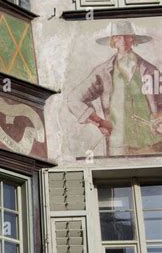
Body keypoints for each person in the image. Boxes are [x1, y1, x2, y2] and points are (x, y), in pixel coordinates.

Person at [69, 22, 162, 156]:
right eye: (118, 37)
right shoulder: (102, 72)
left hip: (153, 143)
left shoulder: (151, 70)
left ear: (133, 39)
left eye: (127, 36)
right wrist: (99, 122)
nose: (123, 41)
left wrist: (159, 119)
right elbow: (74, 99)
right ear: (112, 41)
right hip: (119, 145)